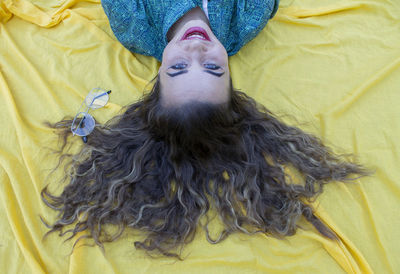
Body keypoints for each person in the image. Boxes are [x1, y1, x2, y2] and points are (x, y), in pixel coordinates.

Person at [41, 0, 372, 258]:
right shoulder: (244, 24)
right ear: (231, 80)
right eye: (213, 68)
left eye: (179, 68)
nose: (196, 51)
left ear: (157, 82)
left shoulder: (134, 27)